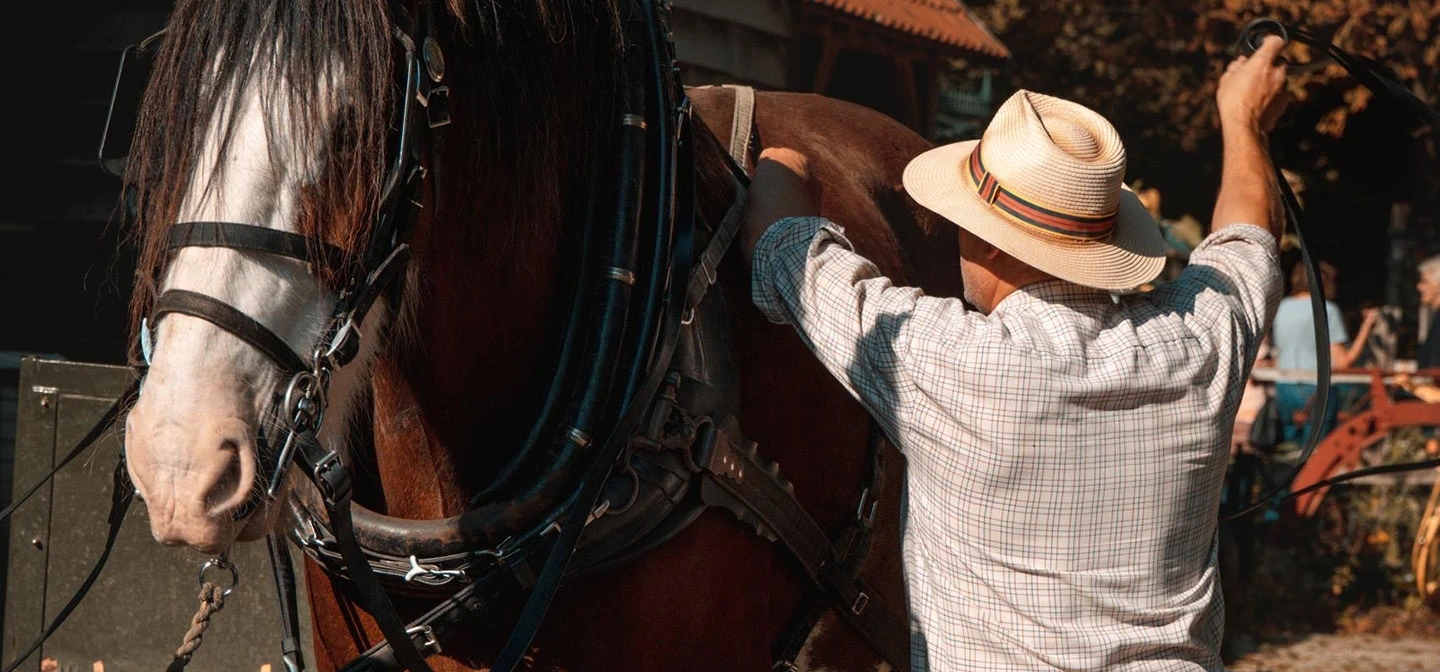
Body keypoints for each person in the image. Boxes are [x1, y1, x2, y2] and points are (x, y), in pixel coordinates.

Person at [738, 36, 1293, 671]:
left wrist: (786, 163)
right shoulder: (1199, 345)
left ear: (992, 241)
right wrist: (1243, 119)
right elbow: (1247, 242)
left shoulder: (947, 357)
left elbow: (785, 251)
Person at [1269, 260, 1379, 446]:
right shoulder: (1327, 310)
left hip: (1284, 386)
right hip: (1316, 389)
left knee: (1289, 451)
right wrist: (1367, 327)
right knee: (1317, 453)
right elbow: (1343, 362)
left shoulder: (1280, 308)